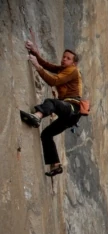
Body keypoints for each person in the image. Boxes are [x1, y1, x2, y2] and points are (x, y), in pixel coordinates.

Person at [22, 40, 83, 177]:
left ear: (74, 63)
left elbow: (53, 81)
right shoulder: (64, 69)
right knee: (46, 135)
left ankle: (37, 116)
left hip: (72, 107)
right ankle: (55, 164)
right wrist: (34, 51)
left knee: (52, 102)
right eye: (64, 56)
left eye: (68, 58)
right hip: (70, 116)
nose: (64, 59)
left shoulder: (72, 70)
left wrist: (36, 66)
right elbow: (47, 65)